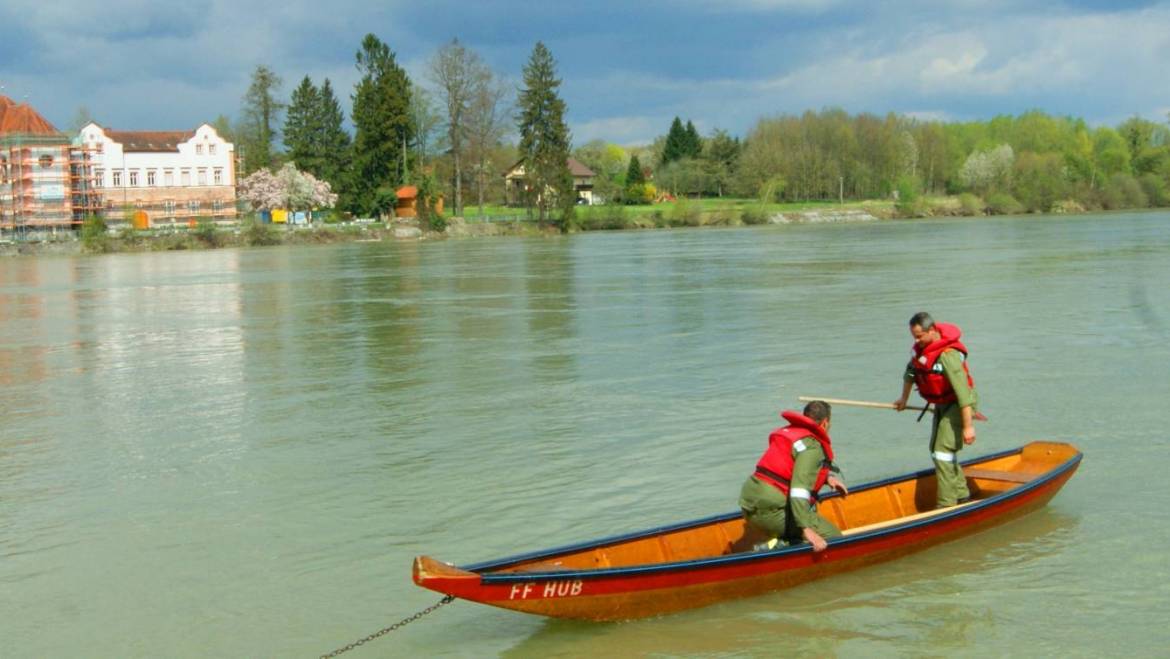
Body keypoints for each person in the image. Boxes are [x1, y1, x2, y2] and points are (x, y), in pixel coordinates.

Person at [893, 311, 979, 508]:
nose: (917, 341)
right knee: (937, 450)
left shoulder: (947, 356)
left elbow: (963, 393)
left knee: (942, 451)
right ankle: (961, 494)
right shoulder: (921, 352)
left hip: (959, 404)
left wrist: (968, 426)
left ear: (931, 331)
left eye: (919, 336)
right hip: (942, 403)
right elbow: (910, 373)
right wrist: (903, 399)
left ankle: (947, 504)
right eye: (914, 336)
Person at [738, 400, 848, 552]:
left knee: (806, 513)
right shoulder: (812, 446)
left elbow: (784, 469)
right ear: (825, 423)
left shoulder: (791, 434)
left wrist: (827, 478)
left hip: (749, 504)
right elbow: (799, 490)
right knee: (834, 538)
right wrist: (806, 529)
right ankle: (778, 546)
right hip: (771, 511)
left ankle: (783, 539)